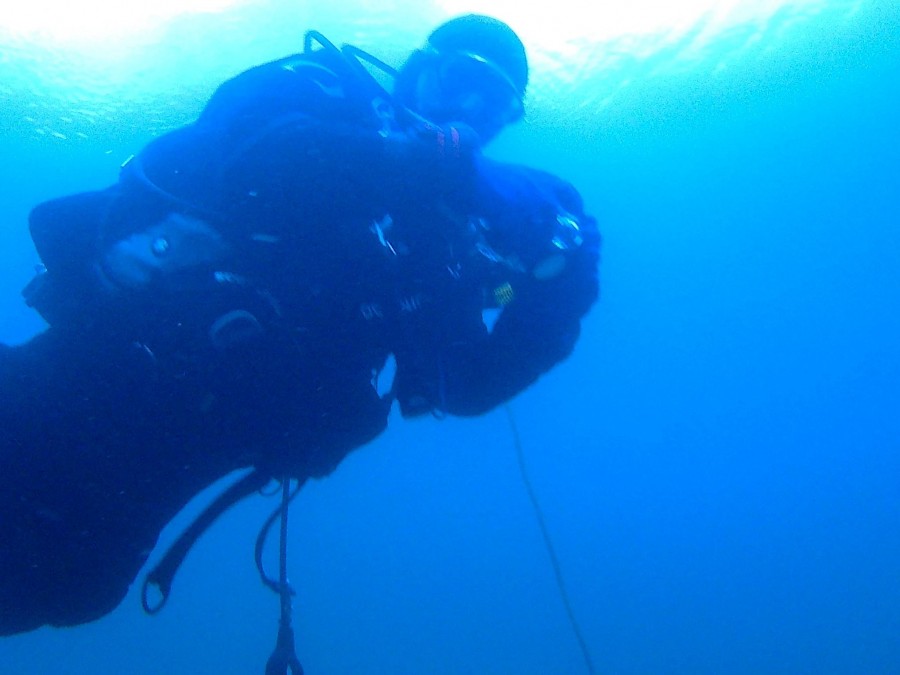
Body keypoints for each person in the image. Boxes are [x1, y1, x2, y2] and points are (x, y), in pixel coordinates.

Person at [0, 14, 600, 636]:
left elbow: (466, 383)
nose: (470, 113)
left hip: (165, 475)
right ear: (420, 67)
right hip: (88, 379)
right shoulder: (322, 87)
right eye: (459, 82)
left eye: (495, 106)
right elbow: (259, 157)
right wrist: (425, 163)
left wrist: (561, 294)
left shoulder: (439, 240)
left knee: (68, 589)